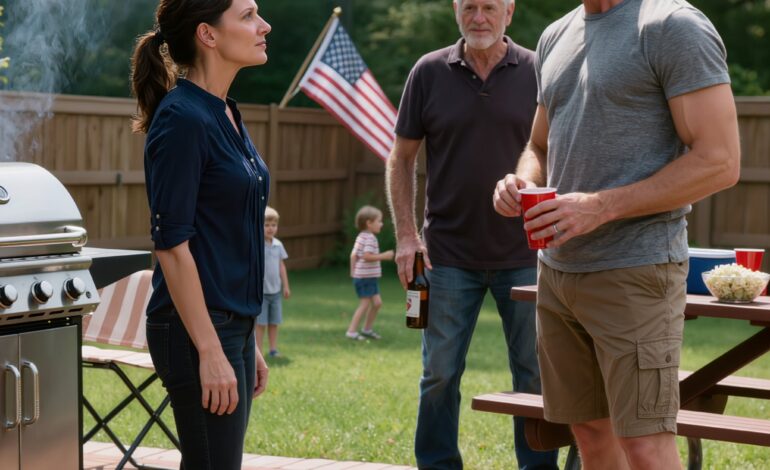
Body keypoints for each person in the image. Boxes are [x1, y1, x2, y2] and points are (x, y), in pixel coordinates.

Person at [492, 0, 741, 468]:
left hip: (636, 268)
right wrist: (523, 180)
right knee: (589, 433)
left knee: (645, 446)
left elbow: (720, 161)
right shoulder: (556, 34)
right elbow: (539, 144)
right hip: (558, 273)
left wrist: (601, 206)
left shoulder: (672, 26)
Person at [386, 0, 559, 468]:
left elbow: (558, 150)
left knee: (534, 375)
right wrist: (406, 237)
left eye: (489, 7)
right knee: (438, 374)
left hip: (526, 253)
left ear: (509, 12)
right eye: (468, 7)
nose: (478, 17)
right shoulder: (428, 72)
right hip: (447, 257)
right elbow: (401, 159)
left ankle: (537, 467)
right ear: (455, 11)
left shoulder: (539, 70)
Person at [130, 0, 272, 468]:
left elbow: (225, 237)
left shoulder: (224, 111)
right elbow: (171, 244)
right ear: (208, 35)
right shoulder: (183, 118)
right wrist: (210, 350)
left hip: (229, 325)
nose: (263, 25)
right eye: (248, 15)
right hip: (195, 331)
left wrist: (247, 338)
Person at [346, 205, 394, 340]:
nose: (381, 224)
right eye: (379, 221)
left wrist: (353, 273)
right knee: (365, 304)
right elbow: (366, 256)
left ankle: (366, 329)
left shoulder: (361, 236)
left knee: (377, 303)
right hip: (365, 278)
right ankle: (351, 331)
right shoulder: (369, 238)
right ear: (369, 223)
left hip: (367, 277)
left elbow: (353, 255)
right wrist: (384, 256)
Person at [258, 206, 291, 357]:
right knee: (261, 324)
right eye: (266, 225)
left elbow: (281, 266)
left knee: (274, 322)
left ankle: (273, 349)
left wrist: (286, 286)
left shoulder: (278, 245)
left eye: (273, 225)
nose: (270, 228)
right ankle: (257, 351)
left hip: (275, 292)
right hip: (261, 293)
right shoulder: (258, 245)